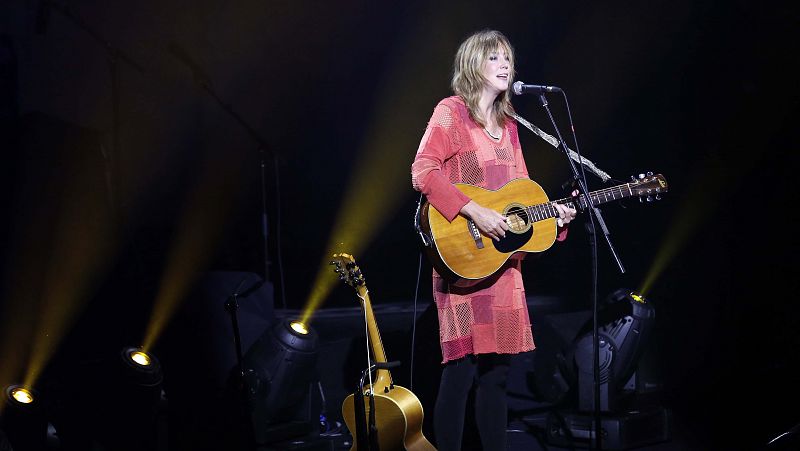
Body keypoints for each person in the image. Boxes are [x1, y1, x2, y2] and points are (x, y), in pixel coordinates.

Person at [410, 29, 577, 451]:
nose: (505, 65)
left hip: (501, 266)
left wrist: (555, 219)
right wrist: (474, 210)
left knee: (498, 375)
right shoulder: (451, 113)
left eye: (508, 58)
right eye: (494, 58)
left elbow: (520, 197)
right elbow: (423, 171)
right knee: (461, 370)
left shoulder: (511, 125)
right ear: (473, 65)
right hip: (463, 256)